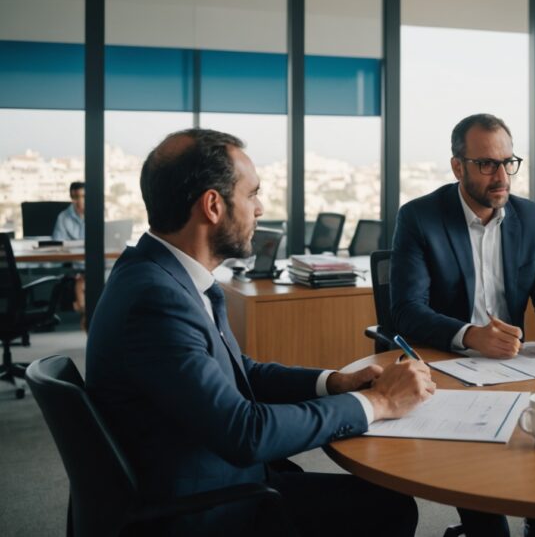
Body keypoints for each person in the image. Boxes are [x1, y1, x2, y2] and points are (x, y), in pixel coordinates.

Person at [87, 129, 435, 537]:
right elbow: (246, 433)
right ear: (213, 206)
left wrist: (335, 383)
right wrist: (377, 402)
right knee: (388, 507)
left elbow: (240, 373)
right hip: (203, 511)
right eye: (252, 195)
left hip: (209, 479)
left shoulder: (164, 277)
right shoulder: (155, 300)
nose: (260, 209)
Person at [390, 113, 535, 537]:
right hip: (447, 370)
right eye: (487, 164)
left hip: (518, 368)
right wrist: (470, 335)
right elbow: (405, 311)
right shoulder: (421, 218)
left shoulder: (532, 218)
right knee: (486, 504)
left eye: (508, 163)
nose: (502, 177)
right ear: (458, 166)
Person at [51, 181, 87, 316]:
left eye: (83, 196)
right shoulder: (63, 217)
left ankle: (82, 310)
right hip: (75, 265)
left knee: (82, 282)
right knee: (80, 282)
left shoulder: (97, 213)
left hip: (96, 264)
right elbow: (57, 244)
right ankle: (87, 317)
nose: (79, 201)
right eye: (75, 197)